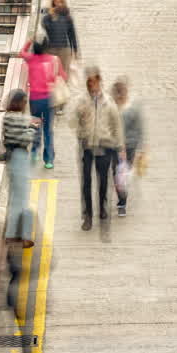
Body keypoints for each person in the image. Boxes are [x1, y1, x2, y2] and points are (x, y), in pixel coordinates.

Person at [72, 65, 124, 231]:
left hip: (105, 147)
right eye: (89, 83)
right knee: (86, 182)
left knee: (103, 182)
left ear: (99, 82)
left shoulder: (109, 103)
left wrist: (120, 146)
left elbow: (116, 126)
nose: (91, 86)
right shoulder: (81, 101)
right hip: (86, 146)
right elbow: (71, 121)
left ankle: (102, 208)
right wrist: (79, 117)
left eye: (94, 82)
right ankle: (87, 216)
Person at [1, 89, 38, 245]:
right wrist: (33, 128)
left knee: (15, 198)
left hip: (11, 158)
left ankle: (12, 233)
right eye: (24, 101)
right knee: (22, 199)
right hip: (20, 157)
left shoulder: (6, 118)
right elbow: (25, 138)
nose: (25, 104)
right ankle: (25, 236)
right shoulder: (19, 119)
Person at [21, 40, 63, 170]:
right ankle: (49, 159)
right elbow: (62, 75)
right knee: (48, 130)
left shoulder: (31, 59)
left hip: (34, 99)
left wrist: (29, 42)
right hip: (49, 99)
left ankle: (34, 151)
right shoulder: (53, 60)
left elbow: (21, 53)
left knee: (35, 125)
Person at [111, 77, 143, 217]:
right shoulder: (110, 107)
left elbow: (138, 128)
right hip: (114, 145)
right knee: (117, 172)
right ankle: (122, 197)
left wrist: (140, 147)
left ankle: (122, 202)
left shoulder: (132, 108)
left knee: (122, 173)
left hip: (129, 146)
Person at [40, 0, 79, 74]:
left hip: (64, 50)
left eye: (60, 2)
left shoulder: (67, 16)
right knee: (52, 74)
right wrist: (50, 15)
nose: (59, 4)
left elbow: (72, 35)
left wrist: (75, 50)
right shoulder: (48, 16)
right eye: (56, 2)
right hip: (52, 50)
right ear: (53, 2)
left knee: (64, 74)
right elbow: (46, 27)